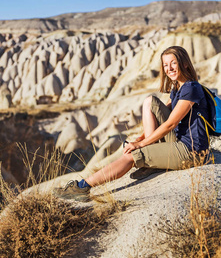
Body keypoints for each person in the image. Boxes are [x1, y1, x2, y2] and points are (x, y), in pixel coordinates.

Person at [54, 46, 211, 202]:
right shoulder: (178, 87)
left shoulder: (191, 88)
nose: (169, 68)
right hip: (179, 143)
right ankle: (150, 163)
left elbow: (170, 124)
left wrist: (140, 145)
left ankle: (82, 187)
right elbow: (159, 117)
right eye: (165, 65)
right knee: (150, 101)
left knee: (132, 156)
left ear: (184, 63)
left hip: (191, 152)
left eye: (173, 63)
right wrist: (139, 139)